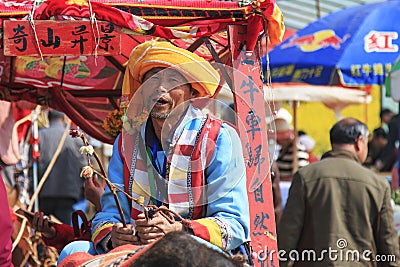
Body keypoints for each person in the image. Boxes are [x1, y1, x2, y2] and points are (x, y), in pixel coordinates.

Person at [59, 41, 250, 263]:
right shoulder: (126, 142)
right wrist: (114, 235)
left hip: (194, 248)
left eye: (172, 80)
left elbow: (235, 223)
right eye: (153, 80)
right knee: (72, 252)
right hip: (137, 249)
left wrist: (179, 230)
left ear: (191, 92)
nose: (160, 88)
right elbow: (109, 213)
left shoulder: (219, 138)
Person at [278, 118, 400, 266]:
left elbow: (287, 236)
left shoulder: (305, 177)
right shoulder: (378, 185)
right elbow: (388, 245)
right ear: (359, 142)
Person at [37, 110, 86, 224]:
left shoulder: (40, 135)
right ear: (64, 118)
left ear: (48, 119)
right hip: (68, 193)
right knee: (64, 231)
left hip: (45, 192)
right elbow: (84, 165)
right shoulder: (75, 137)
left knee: (45, 230)